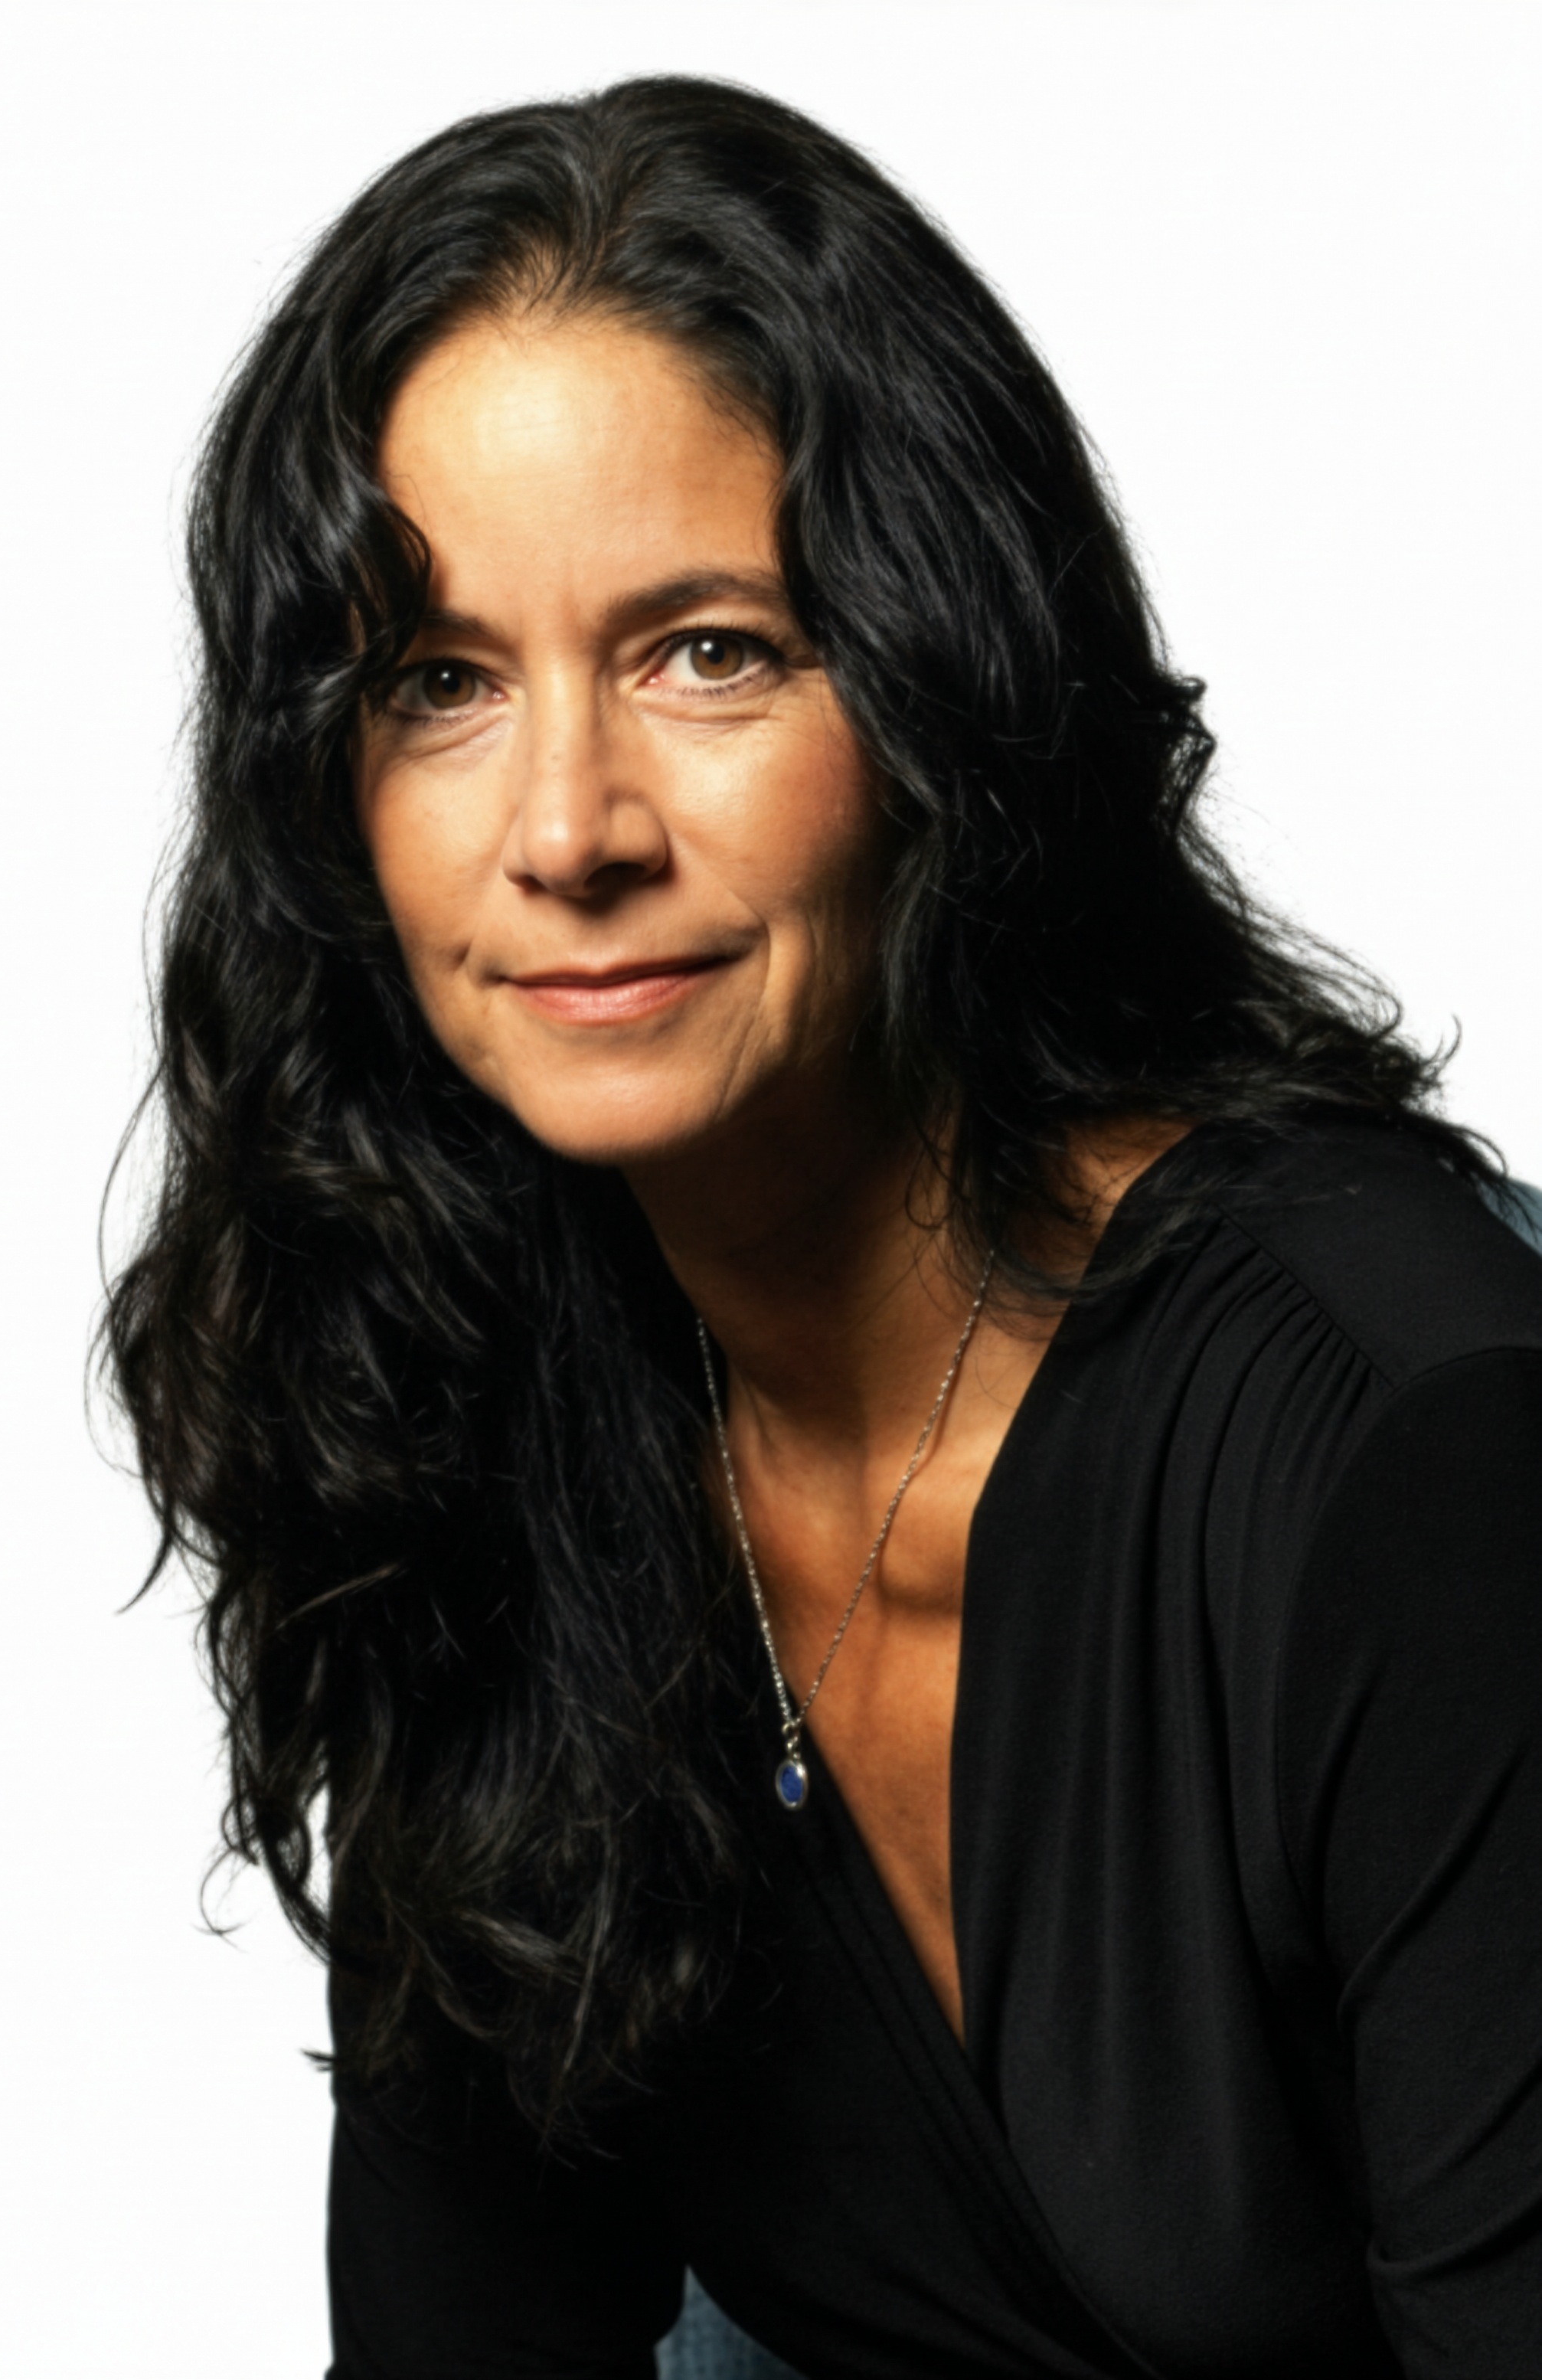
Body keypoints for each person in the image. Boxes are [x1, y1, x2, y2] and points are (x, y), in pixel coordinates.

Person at [104, 75, 1542, 2380]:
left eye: (710, 650)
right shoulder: (479, 1418)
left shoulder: (1408, 1447)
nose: (567, 828)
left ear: (945, 685)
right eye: (441, 683)